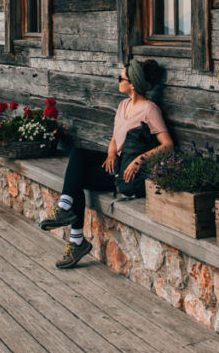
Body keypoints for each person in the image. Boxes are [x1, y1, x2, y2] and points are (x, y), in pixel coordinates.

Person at [40, 58, 173, 269]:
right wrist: (111, 153)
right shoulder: (123, 105)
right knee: (78, 155)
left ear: (133, 84)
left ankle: (75, 239)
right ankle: (66, 209)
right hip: (115, 161)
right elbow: (114, 138)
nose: (118, 81)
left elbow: (167, 145)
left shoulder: (150, 110)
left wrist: (140, 161)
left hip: (126, 171)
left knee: (78, 178)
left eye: (121, 78)